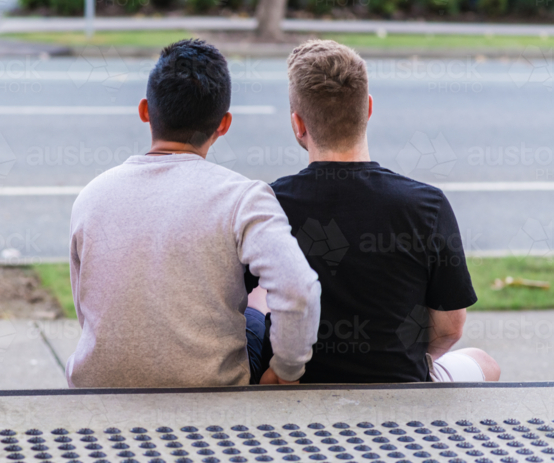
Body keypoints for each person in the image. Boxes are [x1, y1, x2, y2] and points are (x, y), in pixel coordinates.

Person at [66, 39, 321, 388]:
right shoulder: (242, 197)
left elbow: (88, 307)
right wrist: (286, 369)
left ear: (145, 111)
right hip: (212, 390)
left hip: (97, 387)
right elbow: (298, 289)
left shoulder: (92, 196)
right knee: (255, 308)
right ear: (224, 124)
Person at [247, 39, 500, 384]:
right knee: (485, 363)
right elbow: (450, 328)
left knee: (256, 294)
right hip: (402, 385)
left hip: (295, 384)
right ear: (367, 108)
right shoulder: (427, 204)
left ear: (298, 124)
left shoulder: (268, 203)